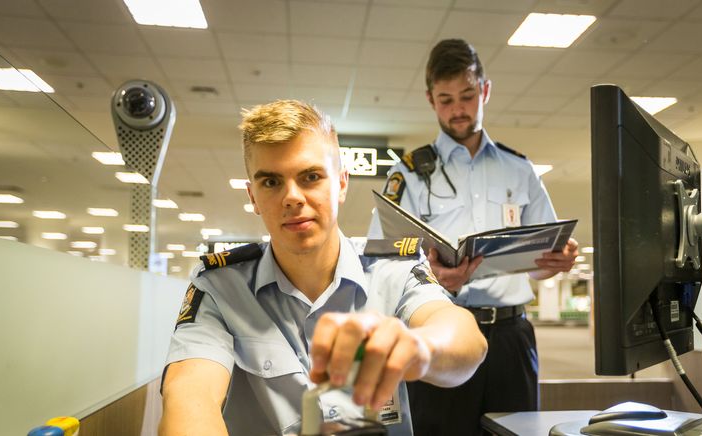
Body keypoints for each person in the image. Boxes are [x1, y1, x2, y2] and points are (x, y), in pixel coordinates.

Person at [159, 99, 488, 436]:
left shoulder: (394, 270)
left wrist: (419, 348)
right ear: (253, 196)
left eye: (311, 177)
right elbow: (189, 394)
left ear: (341, 183)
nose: (292, 197)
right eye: (271, 182)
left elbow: (464, 339)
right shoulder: (220, 288)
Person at [367, 39, 579, 435]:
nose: (458, 109)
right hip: (440, 331)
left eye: (467, 95)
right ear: (430, 99)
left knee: (516, 432)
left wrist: (556, 262)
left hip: (511, 340)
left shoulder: (520, 170)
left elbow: (538, 268)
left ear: (485, 90)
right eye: (445, 99)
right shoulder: (409, 174)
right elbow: (380, 259)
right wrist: (430, 279)